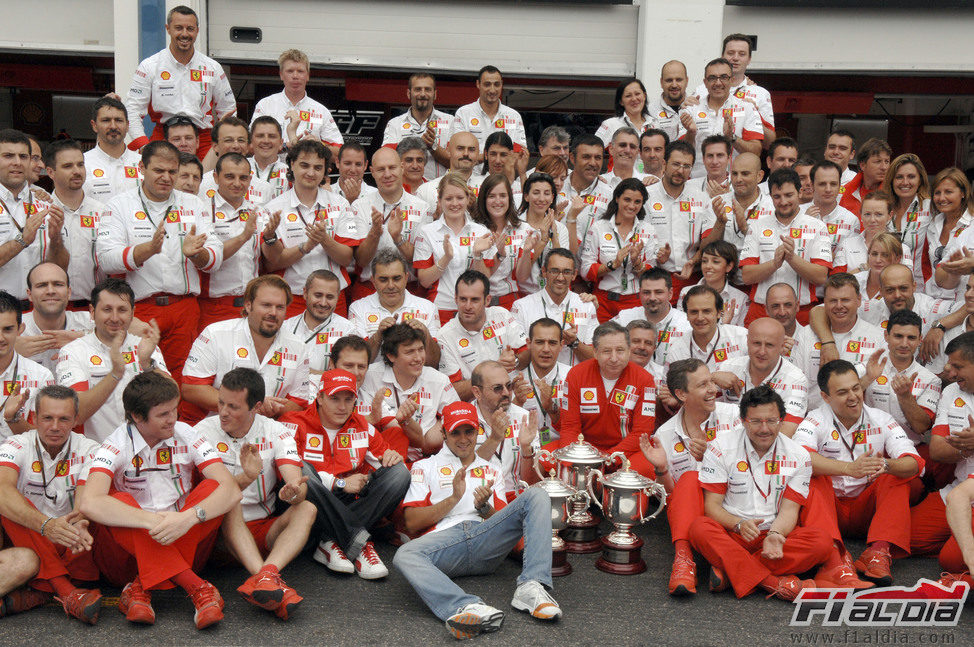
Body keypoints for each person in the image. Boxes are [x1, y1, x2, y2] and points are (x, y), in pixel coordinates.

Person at [81, 371, 242, 628]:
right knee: (118, 498)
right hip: (126, 558)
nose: (173, 419)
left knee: (213, 486)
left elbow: (231, 490)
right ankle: (196, 586)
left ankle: (139, 588)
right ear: (136, 416)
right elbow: (89, 502)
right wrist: (154, 521)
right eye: (164, 414)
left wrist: (187, 518)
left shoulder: (186, 432)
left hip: (183, 540)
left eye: (175, 410)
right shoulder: (116, 442)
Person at [394, 401, 560, 640]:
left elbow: (506, 521)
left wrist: (484, 508)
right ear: (443, 434)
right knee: (405, 555)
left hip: (486, 542)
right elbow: (411, 522)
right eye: (455, 432)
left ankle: (532, 586)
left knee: (537, 494)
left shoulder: (492, 469)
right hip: (445, 545)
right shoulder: (423, 467)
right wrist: (454, 499)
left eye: (469, 431)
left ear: (477, 431)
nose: (463, 439)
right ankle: (466, 607)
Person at [689, 386, 835, 601]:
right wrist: (738, 523)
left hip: (772, 535)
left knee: (821, 542)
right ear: (742, 420)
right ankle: (773, 583)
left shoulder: (799, 456)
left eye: (772, 421)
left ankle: (731, 570)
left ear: (782, 420)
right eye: (756, 421)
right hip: (732, 532)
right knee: (699, 528)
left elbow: (789, 510)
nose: (764, 428)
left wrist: (776, 535)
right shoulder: (720, 447)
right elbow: (712, 507)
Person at [96, 140, 222, 383]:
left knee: (182, 380)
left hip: (183, 308)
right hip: (138, 310)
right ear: (142, 168)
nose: (166, 177)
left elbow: (215, 257)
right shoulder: (120, 205)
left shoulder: (193, 203)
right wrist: (148, 250)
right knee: (137, 377)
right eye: (159, 170)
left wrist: (197, 254)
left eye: (172, 172)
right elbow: (106, 260)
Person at [195, 368, 312, 620]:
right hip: (216, 534)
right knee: (230, 496)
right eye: (221, 402)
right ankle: (266, 579)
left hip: (260, 529)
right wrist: (247, 478)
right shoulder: (202, 431)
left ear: (256, 407)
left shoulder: (276, 431)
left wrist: (294, 492)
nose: (223, 412)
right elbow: (210, 496)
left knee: (307, 508)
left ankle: (267, 575)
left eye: (233, 407)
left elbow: (295, 480)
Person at [794, 359, 921, 586]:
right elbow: (799, 459)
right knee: (812, 478)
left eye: (856, 388)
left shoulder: (881, 419)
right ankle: (833, 560)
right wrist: (848, 469)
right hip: (828, 508)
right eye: (842, 392)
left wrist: (887, 466)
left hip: (866, 510)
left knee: (895, 475)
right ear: (826, 397)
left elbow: (915, 462)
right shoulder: (814, 419)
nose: (853, 396)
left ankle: (878, 552)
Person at [281, 369, 409, 580]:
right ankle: (359, 543)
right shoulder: (292, 422)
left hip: (348, 501)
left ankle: (329, 540)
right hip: (306, 500)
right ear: (320, 398)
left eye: (348, 399)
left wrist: (392, 457)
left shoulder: (363, 426)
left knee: (399, 474)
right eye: (334, 399)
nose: (342, 407)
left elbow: (385, 460)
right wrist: (338, 483)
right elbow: (286, 474)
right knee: (300, 470)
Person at [0, 386, 103, 623]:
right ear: (34, 418)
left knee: (95, 516)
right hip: (28, 535)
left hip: (70, 541)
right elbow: (3, 489)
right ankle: (65, 592)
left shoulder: (91, 449)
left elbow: (84, 498)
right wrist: (46, 525)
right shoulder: (14, 445)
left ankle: (38, 595)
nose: (55, 426)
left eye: (64, 419)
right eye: (47, 418)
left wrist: (78, 524)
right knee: (10, 500)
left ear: (76, 420)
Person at [639, 358, 742, 595]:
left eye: (712, 382)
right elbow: (674, 499)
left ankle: (720, 562)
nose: (713, 390)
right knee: (689, 480)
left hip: (736, 504)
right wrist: (662, 469)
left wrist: (713, 457)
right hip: (694, 515)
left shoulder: (736, 416)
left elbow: (756, 471)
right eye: (703, 385)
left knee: (695, 476)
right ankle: (683, 560)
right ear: (681, 395)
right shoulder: (664, 434)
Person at [182, 275, 310, 423]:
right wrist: (250, 405)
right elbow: (191, 388)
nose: (273, 313)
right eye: (266, 305)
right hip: (212, 430)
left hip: (265, 434)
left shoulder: (298, 346)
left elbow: (299, 402)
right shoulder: (215, 334)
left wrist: (273, 408)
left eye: (280, 307)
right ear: (248, 305)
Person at [55, 279, 166, 443]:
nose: (114, 318)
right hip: (97, 453)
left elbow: (172, 398)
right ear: (92, 312)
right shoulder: (73, 351)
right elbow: (76, 414)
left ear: (133, 313)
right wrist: (115, 374)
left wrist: (147, 365)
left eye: (122, 310)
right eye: (107, 309)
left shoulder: (145, 345)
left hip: (146, 451)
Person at [262, 139, 361, 319]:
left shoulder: (340, 204)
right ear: (292, 165)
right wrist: (306, 247)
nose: (311, 172)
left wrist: (325, 240)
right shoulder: (273, 208)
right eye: (304, 165)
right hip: (292, 296)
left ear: (325, 170)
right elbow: (273, 262)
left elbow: (347, 258)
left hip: (332, 297)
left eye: (317, 167)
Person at [123, 5, 235, 156]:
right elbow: (132, 109)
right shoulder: (149, 66)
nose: (184, 34)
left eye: (190, 28)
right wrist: (142, 144)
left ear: (197, 30)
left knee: (208, 179)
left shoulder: (213, 67)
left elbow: (228, 108)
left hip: (203, 140)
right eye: (178, 28)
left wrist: (224, 141)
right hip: (163, 137)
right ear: (168, 29)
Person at [557, 322, 657, 476]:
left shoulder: (645, 379)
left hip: (628, 452)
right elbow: (570, 427)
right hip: (584, 451)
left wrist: (609, 459)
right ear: (595, 352)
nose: (614, 358)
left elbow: (642, 432)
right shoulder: (576, 375)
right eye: (606, 351)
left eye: (620, 350)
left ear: (629, 351)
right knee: (548, 458)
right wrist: (580, 459)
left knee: (645, 468)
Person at [913, 332, 974, 582]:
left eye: (958, 367)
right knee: (910, 538)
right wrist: (965, 449)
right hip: (959, 488)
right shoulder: (951, 393)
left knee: (950, 559)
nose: (950, 373)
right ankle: (960, 536)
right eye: (950, 366)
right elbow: (937, 450)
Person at [861, 310, 942, 494]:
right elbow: (839, 402)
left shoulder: (930, 379)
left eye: (911, 338)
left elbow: (922, 427)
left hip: (906, 452)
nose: (905, 344)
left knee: (897, 489)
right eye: (898, 336)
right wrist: (866, 379)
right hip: (865, 447)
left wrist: (906, 397)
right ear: (886, 336)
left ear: (920, 338)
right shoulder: (868, 365)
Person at [740, 168, 831, 326]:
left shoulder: (818, 227)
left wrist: (791, 258)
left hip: (802, 312)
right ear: (770, 197)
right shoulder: (757, 226)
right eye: (777, 196)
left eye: (789, 195)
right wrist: (774, 264)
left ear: (800, 192)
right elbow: (747, 276)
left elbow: (821, 277)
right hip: (762, 311)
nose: (783, 202)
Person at [196, 152, 277, 331]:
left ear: (250, 180)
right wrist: (243, 237)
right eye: (229, 177)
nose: (237, 183)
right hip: (213, 306)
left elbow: (269, 261)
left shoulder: (258, 211)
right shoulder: (201, 211)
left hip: (251, 305)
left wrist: (271, 238)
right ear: (216, 177)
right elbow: (205, 260)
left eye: (243, 178)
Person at [360, 323, 457, 462]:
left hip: (428, 460)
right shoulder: (370, 376)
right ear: (391, 356)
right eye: (409, 352)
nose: (418, 358)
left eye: (421, 349)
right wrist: (407, 424)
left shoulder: (439, 380)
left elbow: (456, 414)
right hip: (384, 458)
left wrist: (434, 435)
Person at [351, 147, 433, 299]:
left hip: (410, 291)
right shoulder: (359, 206)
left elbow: (419, 260)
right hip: (369, 289)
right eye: (381, 169)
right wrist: (374, 233)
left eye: (392, 167)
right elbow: (361, 261)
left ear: (401, 168)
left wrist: (398, 239)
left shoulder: (422, 208)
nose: (387, 174)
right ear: (372, 172)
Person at [794, 273, 886, 408]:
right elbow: (796, 382)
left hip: (858, 420)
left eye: (845, 300)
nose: (839, 306)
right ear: (824, 302)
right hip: (812, 416)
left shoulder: (878, 338)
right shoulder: (806, 334)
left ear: (859, 300)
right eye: (833, 300)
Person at [414, 175, 496, 323]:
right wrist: (446, 258)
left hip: (474, 311)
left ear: (468, 199)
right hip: (441, 309)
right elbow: (424, 281)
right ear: (439, 201)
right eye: (448, 198)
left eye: (459, 198)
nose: (454, 203)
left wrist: (477, 254)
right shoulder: (427, 232)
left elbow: (486, 279)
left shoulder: (481, 232)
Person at [581, 179, 663, 322]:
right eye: (627, 200)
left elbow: (651, 276)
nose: (632, 206)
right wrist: (613, 264)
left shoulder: (648, 230)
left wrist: (637, 263)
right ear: (617, 198)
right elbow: (585, 272)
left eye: (637, 202)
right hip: (603, 301)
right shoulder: (599, 227)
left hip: (635, 301)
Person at [437, 271, 527, 400]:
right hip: (476, 410)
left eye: (474, 300)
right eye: (463, 299)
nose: (468, 306)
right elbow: (452, 391)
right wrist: (492, 372)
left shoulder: (502, 315)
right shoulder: (444, 336)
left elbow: (527, 353)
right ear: (455, 299)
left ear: (487, 300)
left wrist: (515, 361)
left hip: (512, 399)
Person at [711, 318, 808, 437]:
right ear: (747, 341)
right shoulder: (728, 367)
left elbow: (786, 432)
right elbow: (696, 405)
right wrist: (711, 378)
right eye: (757, 343)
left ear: (782, 345)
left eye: (769, 345)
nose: (762, 352)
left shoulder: (795, 379)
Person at [644, 141, 714, 300]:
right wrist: (656, 254)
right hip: (655, 278)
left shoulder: (701, 198)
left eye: (686, 166)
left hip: (692, 277)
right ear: (664, 163)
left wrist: (694, 261)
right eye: (676, 164)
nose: (680, 171)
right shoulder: (646, 196)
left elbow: (708, 240)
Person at [0, 129, 63, 302]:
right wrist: (22, 240)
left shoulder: (45, 202)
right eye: (8, 156)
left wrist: (57, 240)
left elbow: (61, 267)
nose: (17, 162)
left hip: (39, 311)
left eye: (23, 156)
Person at [348, 250, 441, 367]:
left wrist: (425, 334)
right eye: (383, 279)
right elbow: (356, 361)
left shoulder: (428, 308)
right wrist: (378, 335)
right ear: (373, 280)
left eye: (396, 278)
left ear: (406, 278)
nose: (391, 285)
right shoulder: (357, 308)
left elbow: (434, 363)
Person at [43, 141, 106, 308]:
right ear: (51, 172)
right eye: (68, 166)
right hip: (50, 309)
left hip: (94, 308)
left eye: (80, 164)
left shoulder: (103, 212)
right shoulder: (40, 212)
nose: (77, 171)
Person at [678, 58, 762, 179]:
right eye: (712, 78)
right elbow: (681, 154)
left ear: (732, 80)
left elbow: (756, 152)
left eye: (723, 77)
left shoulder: (747, 108)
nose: (718, 83)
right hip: (695, 184)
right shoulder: (690, 109)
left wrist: (732, 138)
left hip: (734, 185)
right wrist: (691, 133)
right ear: (705, 82)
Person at [512, 248, 597, 366]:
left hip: (572, 381)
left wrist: (574, 342)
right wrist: (543, 341)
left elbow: (595, 358)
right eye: (554, 271)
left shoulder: (586, 306)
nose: (560, 278)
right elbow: (518, 362)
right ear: (544, 272)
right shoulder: (522, 306)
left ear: (574, 275)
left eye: (566, 272)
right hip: (536, 382)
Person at [251, 48, 343, 157]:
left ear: (307, 75)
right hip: (271, 173)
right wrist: (286, 146)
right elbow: (250, 147)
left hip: (308, 173)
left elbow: (340, 153)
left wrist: (319, 145)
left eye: (300, 71)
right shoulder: (265, 105)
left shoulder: (321, 111)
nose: (295, 76)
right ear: (281, 75)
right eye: (290, 71)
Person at [470, 361, 539, 497]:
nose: (506, 393)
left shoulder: (523, 418)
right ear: (477, 392)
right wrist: (494, 439)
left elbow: (531, 482)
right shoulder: (464, 420)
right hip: (478, 499)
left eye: (509, 386)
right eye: (497, 388)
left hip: (517, 500)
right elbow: (464, 471)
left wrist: (526, 449)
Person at [693, 34, 776, 146]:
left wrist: (754, 114)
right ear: (722, 56)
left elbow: (770, 143)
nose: (735, 58)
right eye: (730, 53)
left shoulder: (760, 93)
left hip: (740, 162)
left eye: (742, 54)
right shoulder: (701, 90)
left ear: (749, 59)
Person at [0, 292, 56, 439]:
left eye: (7, 329)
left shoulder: (41, 375)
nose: (0, 338)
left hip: (21, 460)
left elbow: (47, 437)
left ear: (20, 329)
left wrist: (14, 419)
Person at [18, 263, 92, 372]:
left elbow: (123, 336)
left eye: (58, 284)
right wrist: (8, 351)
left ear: (69, 292)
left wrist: (83, 339)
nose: (50, 291)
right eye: (42, 285)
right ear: (29, 294)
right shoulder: (11, 328)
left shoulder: (89, 322)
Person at [471, 174, 529, 309]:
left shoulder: (524, 230)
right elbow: (479, 276)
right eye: (492, 196)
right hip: (476, 302)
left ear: (510, 198)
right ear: (483, 199)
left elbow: (523, 277)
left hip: (510, 300)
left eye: (503, 196)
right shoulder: (472, 229)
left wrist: (526, 252)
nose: (498, 201)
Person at [613, 268, 691, 368]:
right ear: (639, 292)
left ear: (670, 293)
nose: (652, 298)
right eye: (646, 292)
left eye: (658, 292)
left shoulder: (686, 324)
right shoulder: (624, 317)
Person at [382, 73, 453, 180]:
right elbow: (386, 160)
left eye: (428, 89)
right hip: (406, 191)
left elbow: (455, 163)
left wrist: (433, 147)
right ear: (408, 93)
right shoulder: (394, 124)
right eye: (418, 89)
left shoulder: (450, 121)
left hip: (440, 192)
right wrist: (420, 144)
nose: (423, 94)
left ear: (435, 94)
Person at [512, 318, 570, 447]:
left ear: (561, 345)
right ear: (528, 343)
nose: (546, 349)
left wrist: (551, 408)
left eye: (552, 343)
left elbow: (577, 429)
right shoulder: (513, 380)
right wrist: (516, 404)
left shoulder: (572, 377)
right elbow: (502, 428)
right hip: (522, 448)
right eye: (539, 342)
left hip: (561, 448)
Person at [665, 285, 748, 374]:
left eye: (706, 311)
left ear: (719, 313)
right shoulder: (676, 349)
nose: (700, 318)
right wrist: (714, 378)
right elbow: (670, 387)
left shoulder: (742, 337)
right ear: (687, 315)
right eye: (694, 312)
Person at [449, 66, 527, 156]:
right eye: (487, 84)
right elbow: (457, 152)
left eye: (496, 84)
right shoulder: (463, 113)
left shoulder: (514, 116)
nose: (492, 90)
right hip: (473, 170)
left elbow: (520, 152)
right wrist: (491, 158)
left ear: (502, 84)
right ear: (478, 84)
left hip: (505, 170)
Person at [860, 263, 955, 334]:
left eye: (903, 288)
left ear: (914, 287)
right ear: (881, 291)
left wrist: (940, 325)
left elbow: (968, 307)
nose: (897, 295)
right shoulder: (869, 309)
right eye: (890, 290)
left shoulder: (930, 307)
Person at [514, 173, 573, 284]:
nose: (541, 199)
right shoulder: (515, 227)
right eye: (536, 193)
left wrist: (554, 236)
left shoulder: (560, 228)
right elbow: (519, 274)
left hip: (551, 292)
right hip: (523, 292)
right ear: (526, 196)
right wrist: (542, 241)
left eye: (547, 194)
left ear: (552, 198)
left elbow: (562, 267)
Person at [676, 241, 749, 327]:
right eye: (704, 261)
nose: (708, 266)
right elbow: (681, 328)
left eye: (715, 262)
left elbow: (741, 334)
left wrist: (725, 325)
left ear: (729, 266)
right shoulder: (687, 292)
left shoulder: (741, 298)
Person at [833, 192, 907, 276]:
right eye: (867, 214)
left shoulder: (902, 248)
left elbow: (905, 281)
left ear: (890, 216)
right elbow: (836, 281)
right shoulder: (846, 245)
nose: (872, 220)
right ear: (860, 215)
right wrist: (864, 268)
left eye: (878, 214)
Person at [881, 153, 932, 275]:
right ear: (891, 180)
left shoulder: (931, 208)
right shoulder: (882, 208)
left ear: (920, 180)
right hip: (886, 282)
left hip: (920, 285)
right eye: (899, 177)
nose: (905, 182)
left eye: (911, 177)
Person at [83, 96, 142, 201]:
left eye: (119, 120)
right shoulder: (82, 163)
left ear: (127, 125)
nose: (113, 126)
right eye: (106, 120)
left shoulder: (143, 162)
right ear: (94, 125)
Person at [804, 161, 861, 264]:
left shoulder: (851, 221)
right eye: (822, 184)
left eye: (833, 184)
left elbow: (850, 260)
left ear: (840, 186)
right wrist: (803, 224)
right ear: (812, 186)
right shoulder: (797, 214)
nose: (828, 189)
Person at [563, 135, 614, 247]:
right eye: (586, 157)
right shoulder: (556, 187)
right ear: (572, 158)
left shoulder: (610, 195)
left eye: (598, 158)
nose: (593, 163)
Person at [715, 152, 772, 251]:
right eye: (734, 174)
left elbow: (772, 249)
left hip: (758, 264)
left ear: (759, 176)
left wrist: (745, 229)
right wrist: (720, 223)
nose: (738, 179)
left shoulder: (773, 207)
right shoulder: (717, 203)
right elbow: (706, 248)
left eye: (745, 174)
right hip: (723, 264)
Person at [414, 132, 484, 208]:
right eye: (460, 148)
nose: (466, 153)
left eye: (471, 149)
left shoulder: (487, 187)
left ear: (478, 153)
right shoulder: (426, 191)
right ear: (448, 150)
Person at [839, 138, 892, 218]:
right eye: (878, 161)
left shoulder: (892, 193)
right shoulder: (846, 191)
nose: (884, 167)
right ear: (863, 165)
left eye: (887, 162)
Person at [596, 78, 653, 149]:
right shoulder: (610, 124)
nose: (634, 99)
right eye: (628, 96)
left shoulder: (654, 123)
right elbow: (593, 149)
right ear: (621, 102)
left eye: (637, 94)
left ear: (644, 96)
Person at [248, 116, 289, 205]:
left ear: (281, 143)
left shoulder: (290, 173)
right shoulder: (239, 169)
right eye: (260, 136)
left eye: (272, 136)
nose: (266, 141)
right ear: (251, 141)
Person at [646, 61, 688, 141]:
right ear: (661, 82)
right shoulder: (650, 112)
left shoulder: (697, 108)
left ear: (687, 81)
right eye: (669, 80)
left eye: (679, 80)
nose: (674, 85)